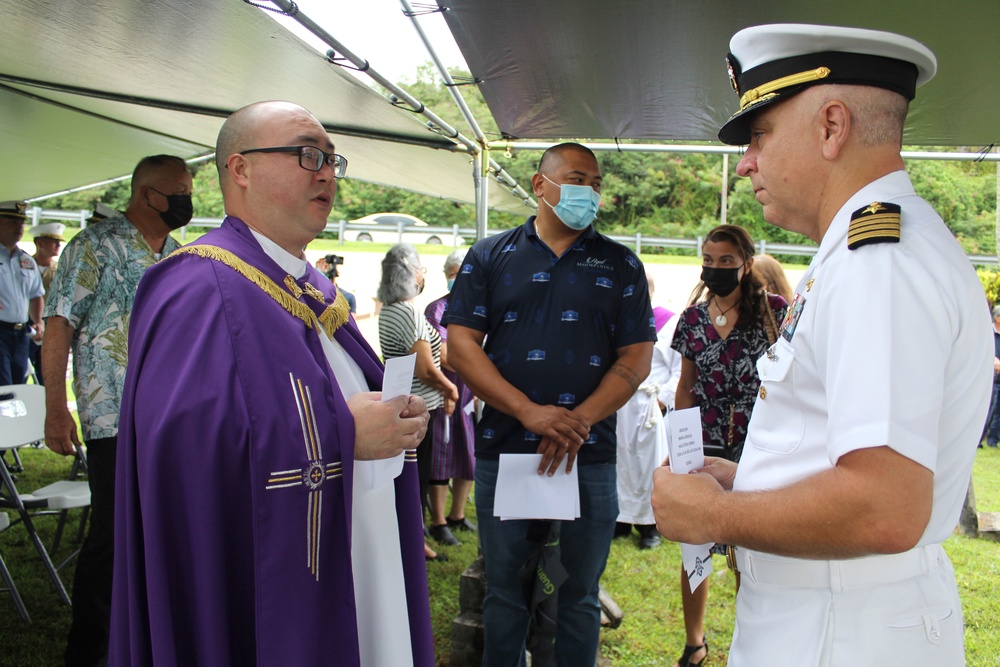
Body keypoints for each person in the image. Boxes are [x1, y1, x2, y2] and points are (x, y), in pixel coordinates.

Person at [651, 24, 993, 667]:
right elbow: (834, 448)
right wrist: (743, 483)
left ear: (831, 126)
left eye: (758, 135)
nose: (747, 161)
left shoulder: (879, 262)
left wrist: (718, 518)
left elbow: (885, 505)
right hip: (836, 618)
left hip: (839, 631)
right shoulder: (864, 252)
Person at [108, 101, 434, 667]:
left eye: (333, 159)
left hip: (360, 540)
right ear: (240, 169)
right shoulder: (196, 285)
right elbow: (180, 449)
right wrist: (342, 438)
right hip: (268, 574)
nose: (327, 172)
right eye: (308, 154)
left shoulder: (315, 290)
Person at [445, 142, 655, 667]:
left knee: (578, 595)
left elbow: (636, 357)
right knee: (505, 591)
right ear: (541, 186)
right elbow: (461, 347)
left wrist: (580, 418)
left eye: (597, 183)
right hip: (508, 449)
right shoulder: (490, 256)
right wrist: (527, 411)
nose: (591, 192)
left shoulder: (621, 264)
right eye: (579, 179)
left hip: (589, 453)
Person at [41, 155, 192, 667]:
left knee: (161, 529)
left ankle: (147, 637)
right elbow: (59, 324)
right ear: (147, 194)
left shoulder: (177, 254)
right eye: (178, 191)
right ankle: (89, 650)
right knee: (110, 536)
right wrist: (56, 409)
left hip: (170, 418)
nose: (185, 201)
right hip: (111, 418)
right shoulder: (94, 246)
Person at [668, 224, 787, 667]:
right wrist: (683, 446)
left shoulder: (773, 312)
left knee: (748, 548)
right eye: (709, 260)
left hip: (757, 446)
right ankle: (694, 641)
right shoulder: (693, 319)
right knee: (695, 548)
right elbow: (685, 387)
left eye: (726, 261)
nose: (715, 268)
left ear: (747, 265)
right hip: (704, 445)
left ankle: (749, 639)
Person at [377, 244, 460, 553]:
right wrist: (449, 388)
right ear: (409, 274)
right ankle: (415, 541)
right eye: (420, 268)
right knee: (418, 478)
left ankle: (412, 535)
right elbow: (426, 368)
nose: (423, 274)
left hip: (405, 404)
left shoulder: (390, 309)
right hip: (420, 407)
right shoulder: (409, 312)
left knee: (410, 476)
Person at [613, 275, 682, 550]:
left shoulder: (668, 322)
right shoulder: (615, 320)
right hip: (619, 402)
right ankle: (621, 519)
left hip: (649, 404)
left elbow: (680, 369)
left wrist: (662, 401)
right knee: (621, 462)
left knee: (648, 465)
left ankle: (649, 525)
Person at [424, 250, 477, 536]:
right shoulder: (437, 310)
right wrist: (477, 363)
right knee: (442, 456)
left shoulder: (480, 308)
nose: (457, 278)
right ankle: (439, 521)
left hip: (470, 393)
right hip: (445, 392)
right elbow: (443, 355)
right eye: (453, 273)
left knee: (468, 455)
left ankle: (457, 515)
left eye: (462, 273)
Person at [0, 200, 43, 386]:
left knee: (19, 388)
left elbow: (35, 294)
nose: (18, 228)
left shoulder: (26, 260)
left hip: (21, 334)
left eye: (21, 223)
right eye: (11, 223)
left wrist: (39, 320)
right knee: (4, 388)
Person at [27, 222, 65, 385]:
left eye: (59, 242)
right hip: (25, 325)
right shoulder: (25, 265)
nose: (58, 245)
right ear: (40, 243)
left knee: (46, 375)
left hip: (50, 325)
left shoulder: (60, 270)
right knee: (21, 372)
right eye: (53, 241)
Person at [981, 304, 1000, 447]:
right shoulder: (988, 332)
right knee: (987, 410)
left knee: (997, 412)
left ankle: (993, 440)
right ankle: (978, 440)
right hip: (990, 379)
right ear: (997, 318)